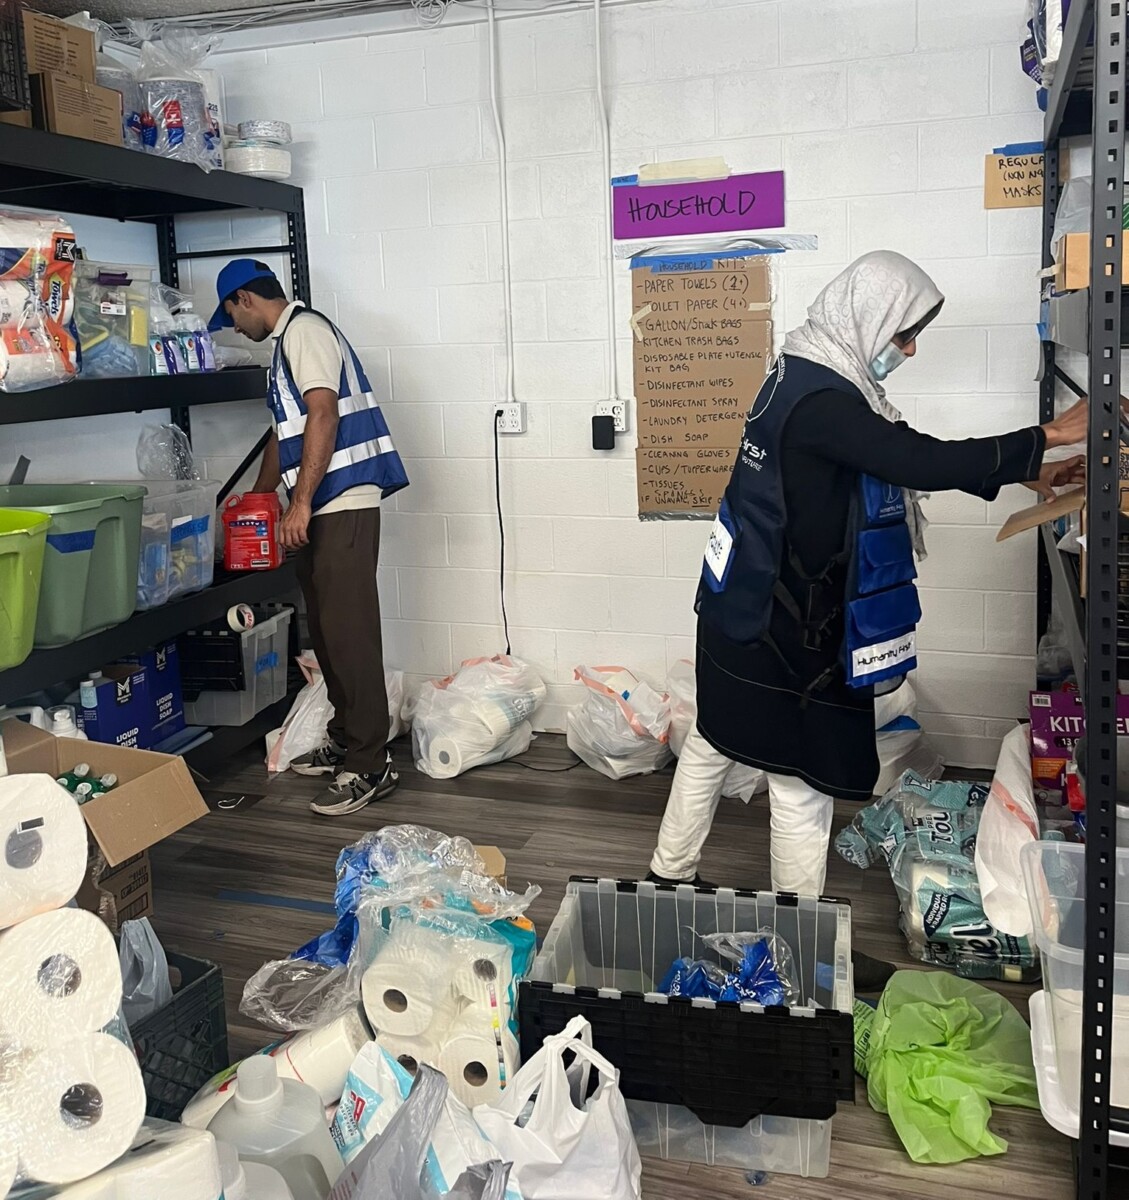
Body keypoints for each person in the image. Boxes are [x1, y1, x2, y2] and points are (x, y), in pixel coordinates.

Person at [646, 251, 1086, 980]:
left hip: (736, 603)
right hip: (781, 625)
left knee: (711, 740)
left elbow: (878, 460)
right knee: (798, 782)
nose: (907, 350)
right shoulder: (824, 403)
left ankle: (666, 878)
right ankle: (800, 939)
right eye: (905, 333)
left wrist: (1028, 470)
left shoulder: (800, 370)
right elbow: (912, 458)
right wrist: (1048, 437)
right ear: (870, 316)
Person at [209, 260, 409, 817]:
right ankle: (347, 738)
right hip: (319, 506)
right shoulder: (285, 345)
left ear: (245, 299)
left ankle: (371, 765)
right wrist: (258, 496)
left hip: (341, 501)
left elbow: (324, 413)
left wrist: (298, 502)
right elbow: (287, 430)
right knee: (324, 626)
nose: (234, 328)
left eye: (230, 315)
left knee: (349, 633)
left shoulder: (307, 333)